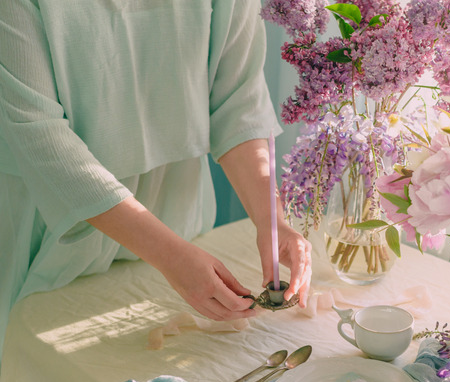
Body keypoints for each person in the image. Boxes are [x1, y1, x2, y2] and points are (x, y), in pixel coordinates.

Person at [0, 0, 312, 360]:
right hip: (56, 228)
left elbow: (238, 100)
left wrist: (271, 221)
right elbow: (42, 135)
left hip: (178, 223)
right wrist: (170, 255)